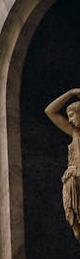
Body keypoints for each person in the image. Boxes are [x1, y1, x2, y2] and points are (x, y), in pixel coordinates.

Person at [45, 88, 80, 242]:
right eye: (69, 116)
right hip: (71, 182)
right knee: (77, 231)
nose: (70, 120)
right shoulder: (74, 133)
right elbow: (50, 111)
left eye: (73, 115)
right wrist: (71, 93)